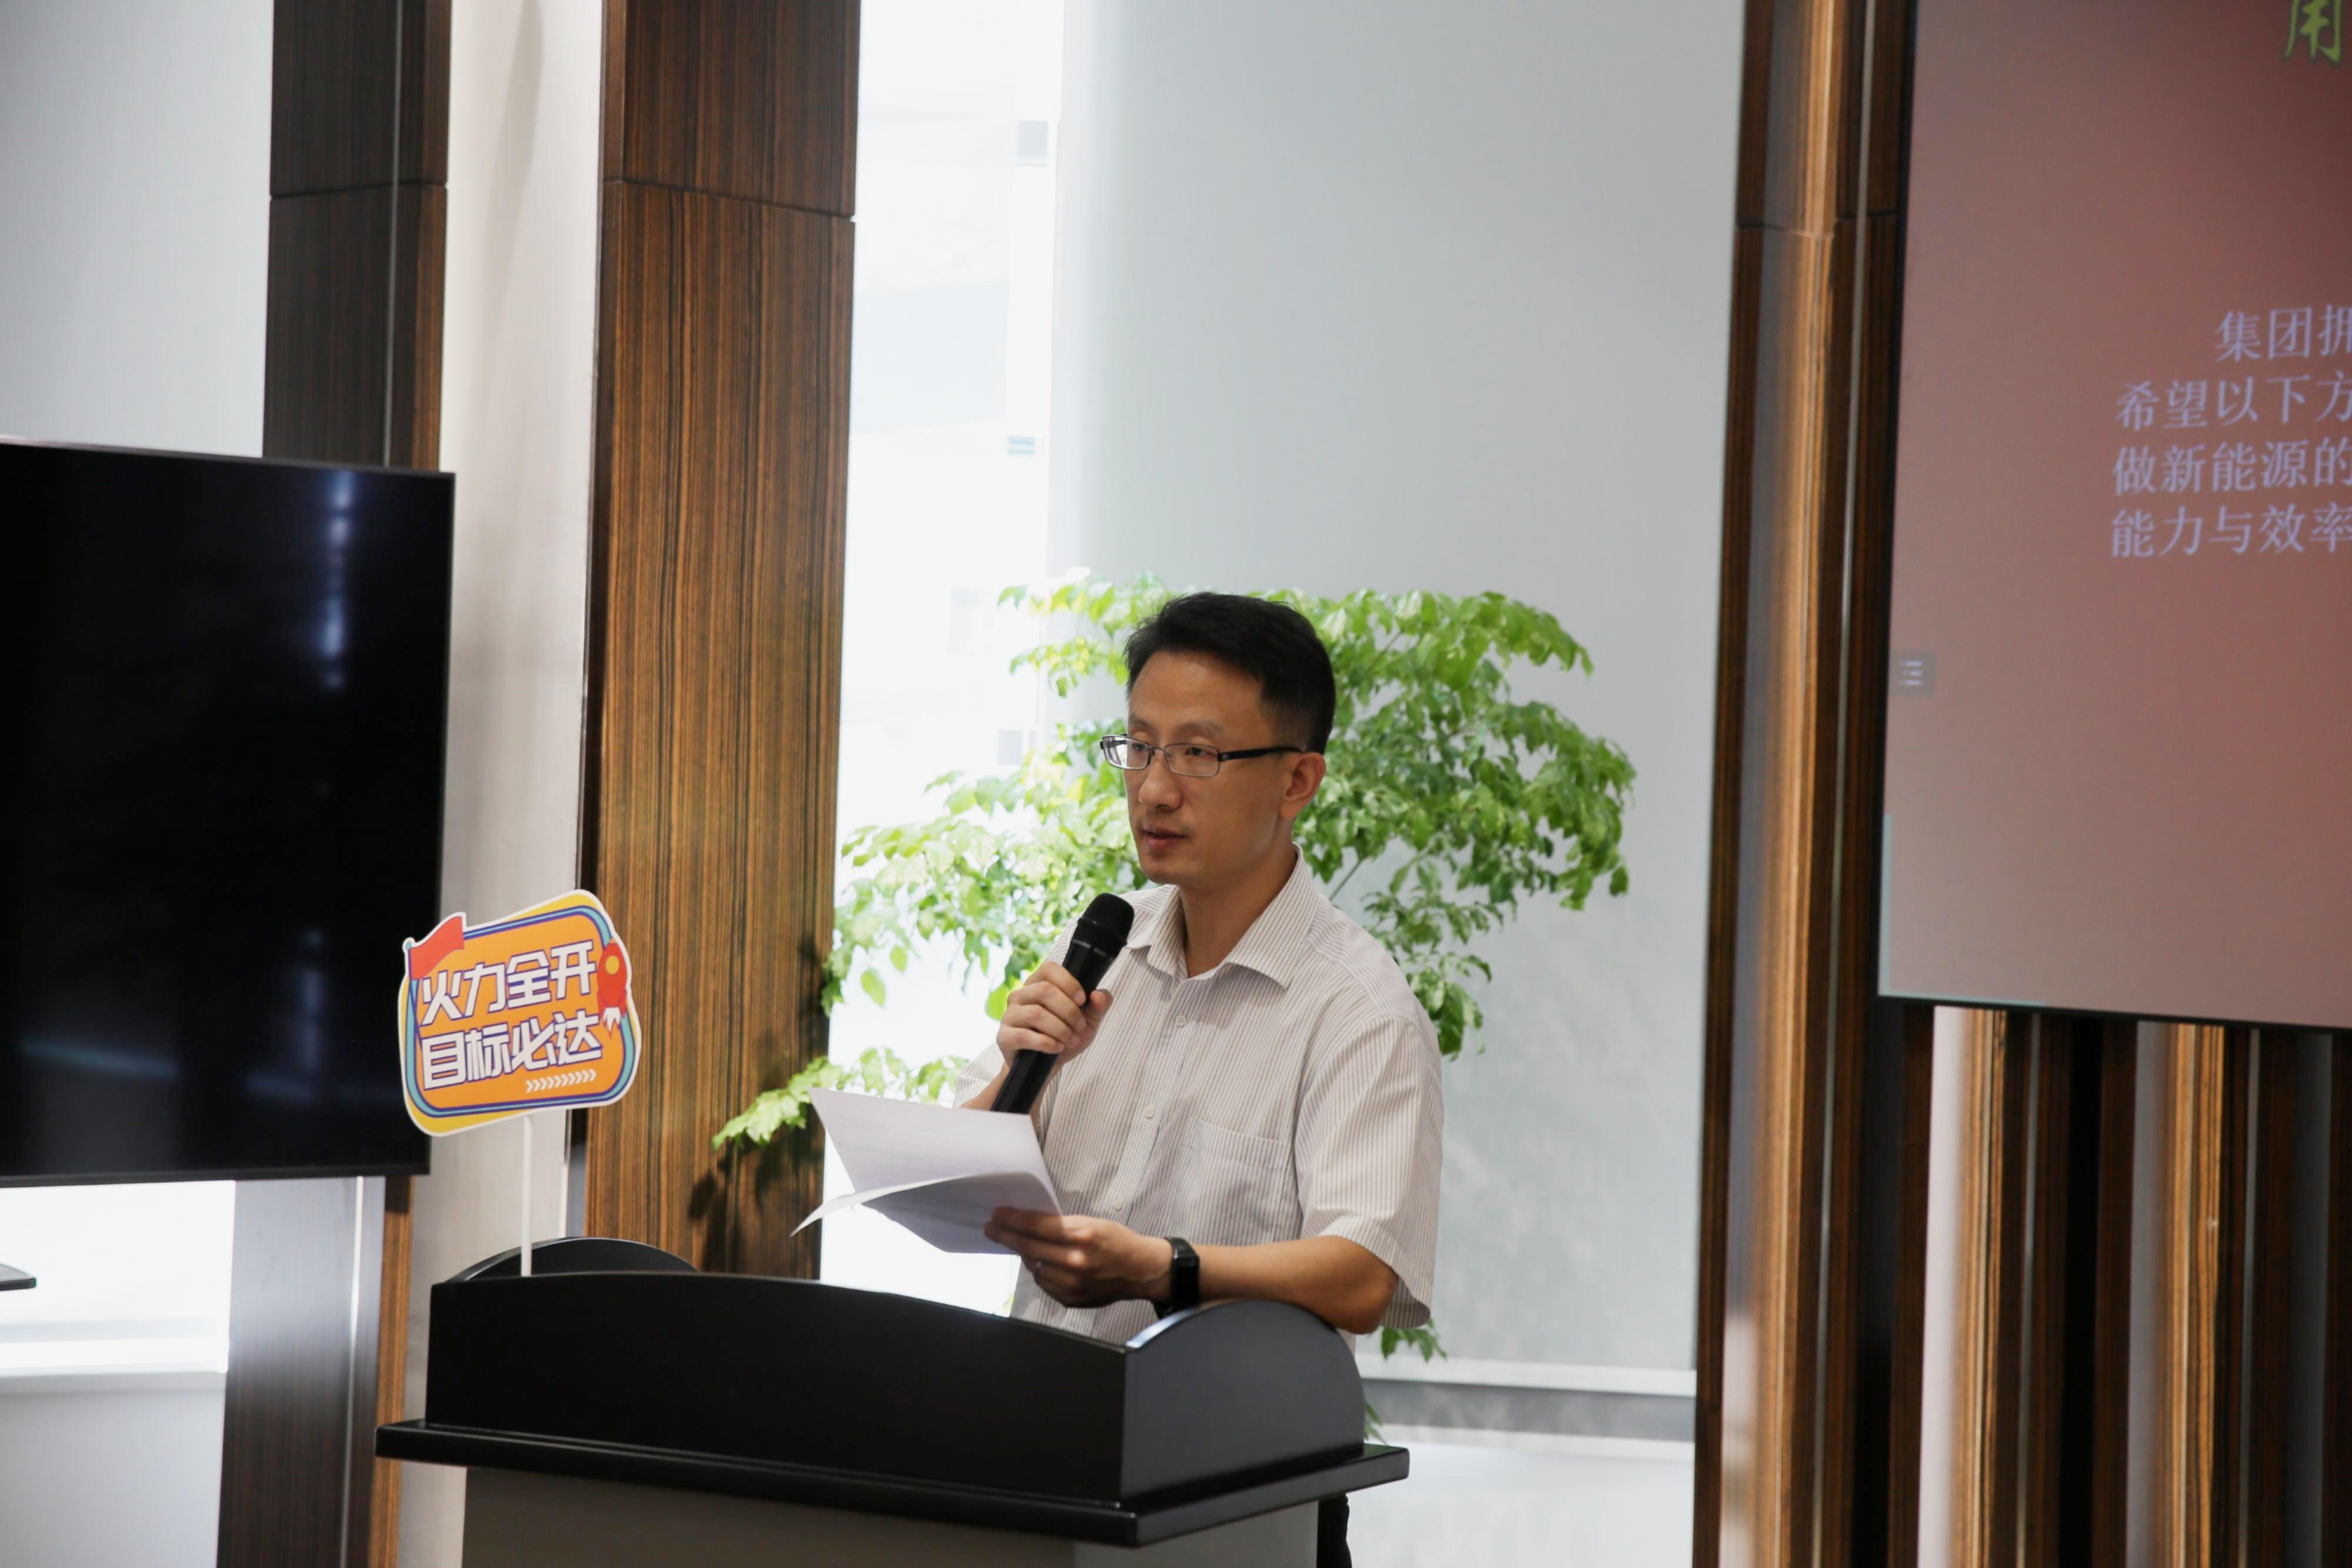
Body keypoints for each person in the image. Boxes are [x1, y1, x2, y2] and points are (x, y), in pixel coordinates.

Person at [958, 592, 1444, 1568]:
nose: (1154, 789)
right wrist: (1019, 1070)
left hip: (1237, 1493)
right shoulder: (1102, 946)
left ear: (1297, 778)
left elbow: (1364, 1270)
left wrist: (1164, 1267)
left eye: (1198, 753)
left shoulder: (1359, 1010)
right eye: (1138, 746)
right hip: (1040, 1457)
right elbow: (961, 1172)